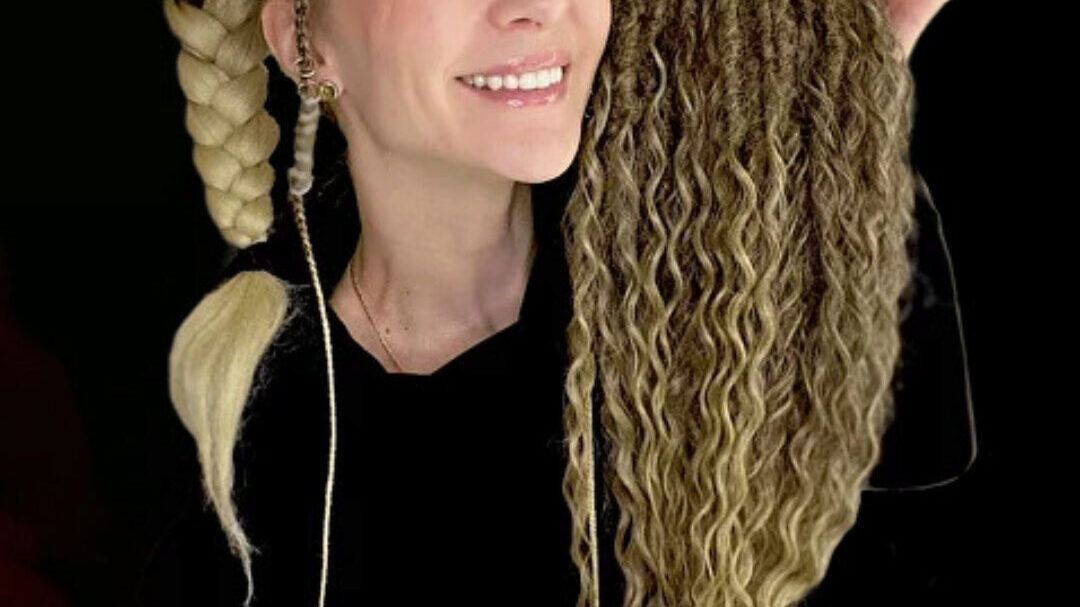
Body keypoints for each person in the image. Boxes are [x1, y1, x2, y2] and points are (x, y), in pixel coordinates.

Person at [147, 1, 965, 606]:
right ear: (302, 40)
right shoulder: (236, 408)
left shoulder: (727, 306)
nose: (537, 5)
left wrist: (832, 173)